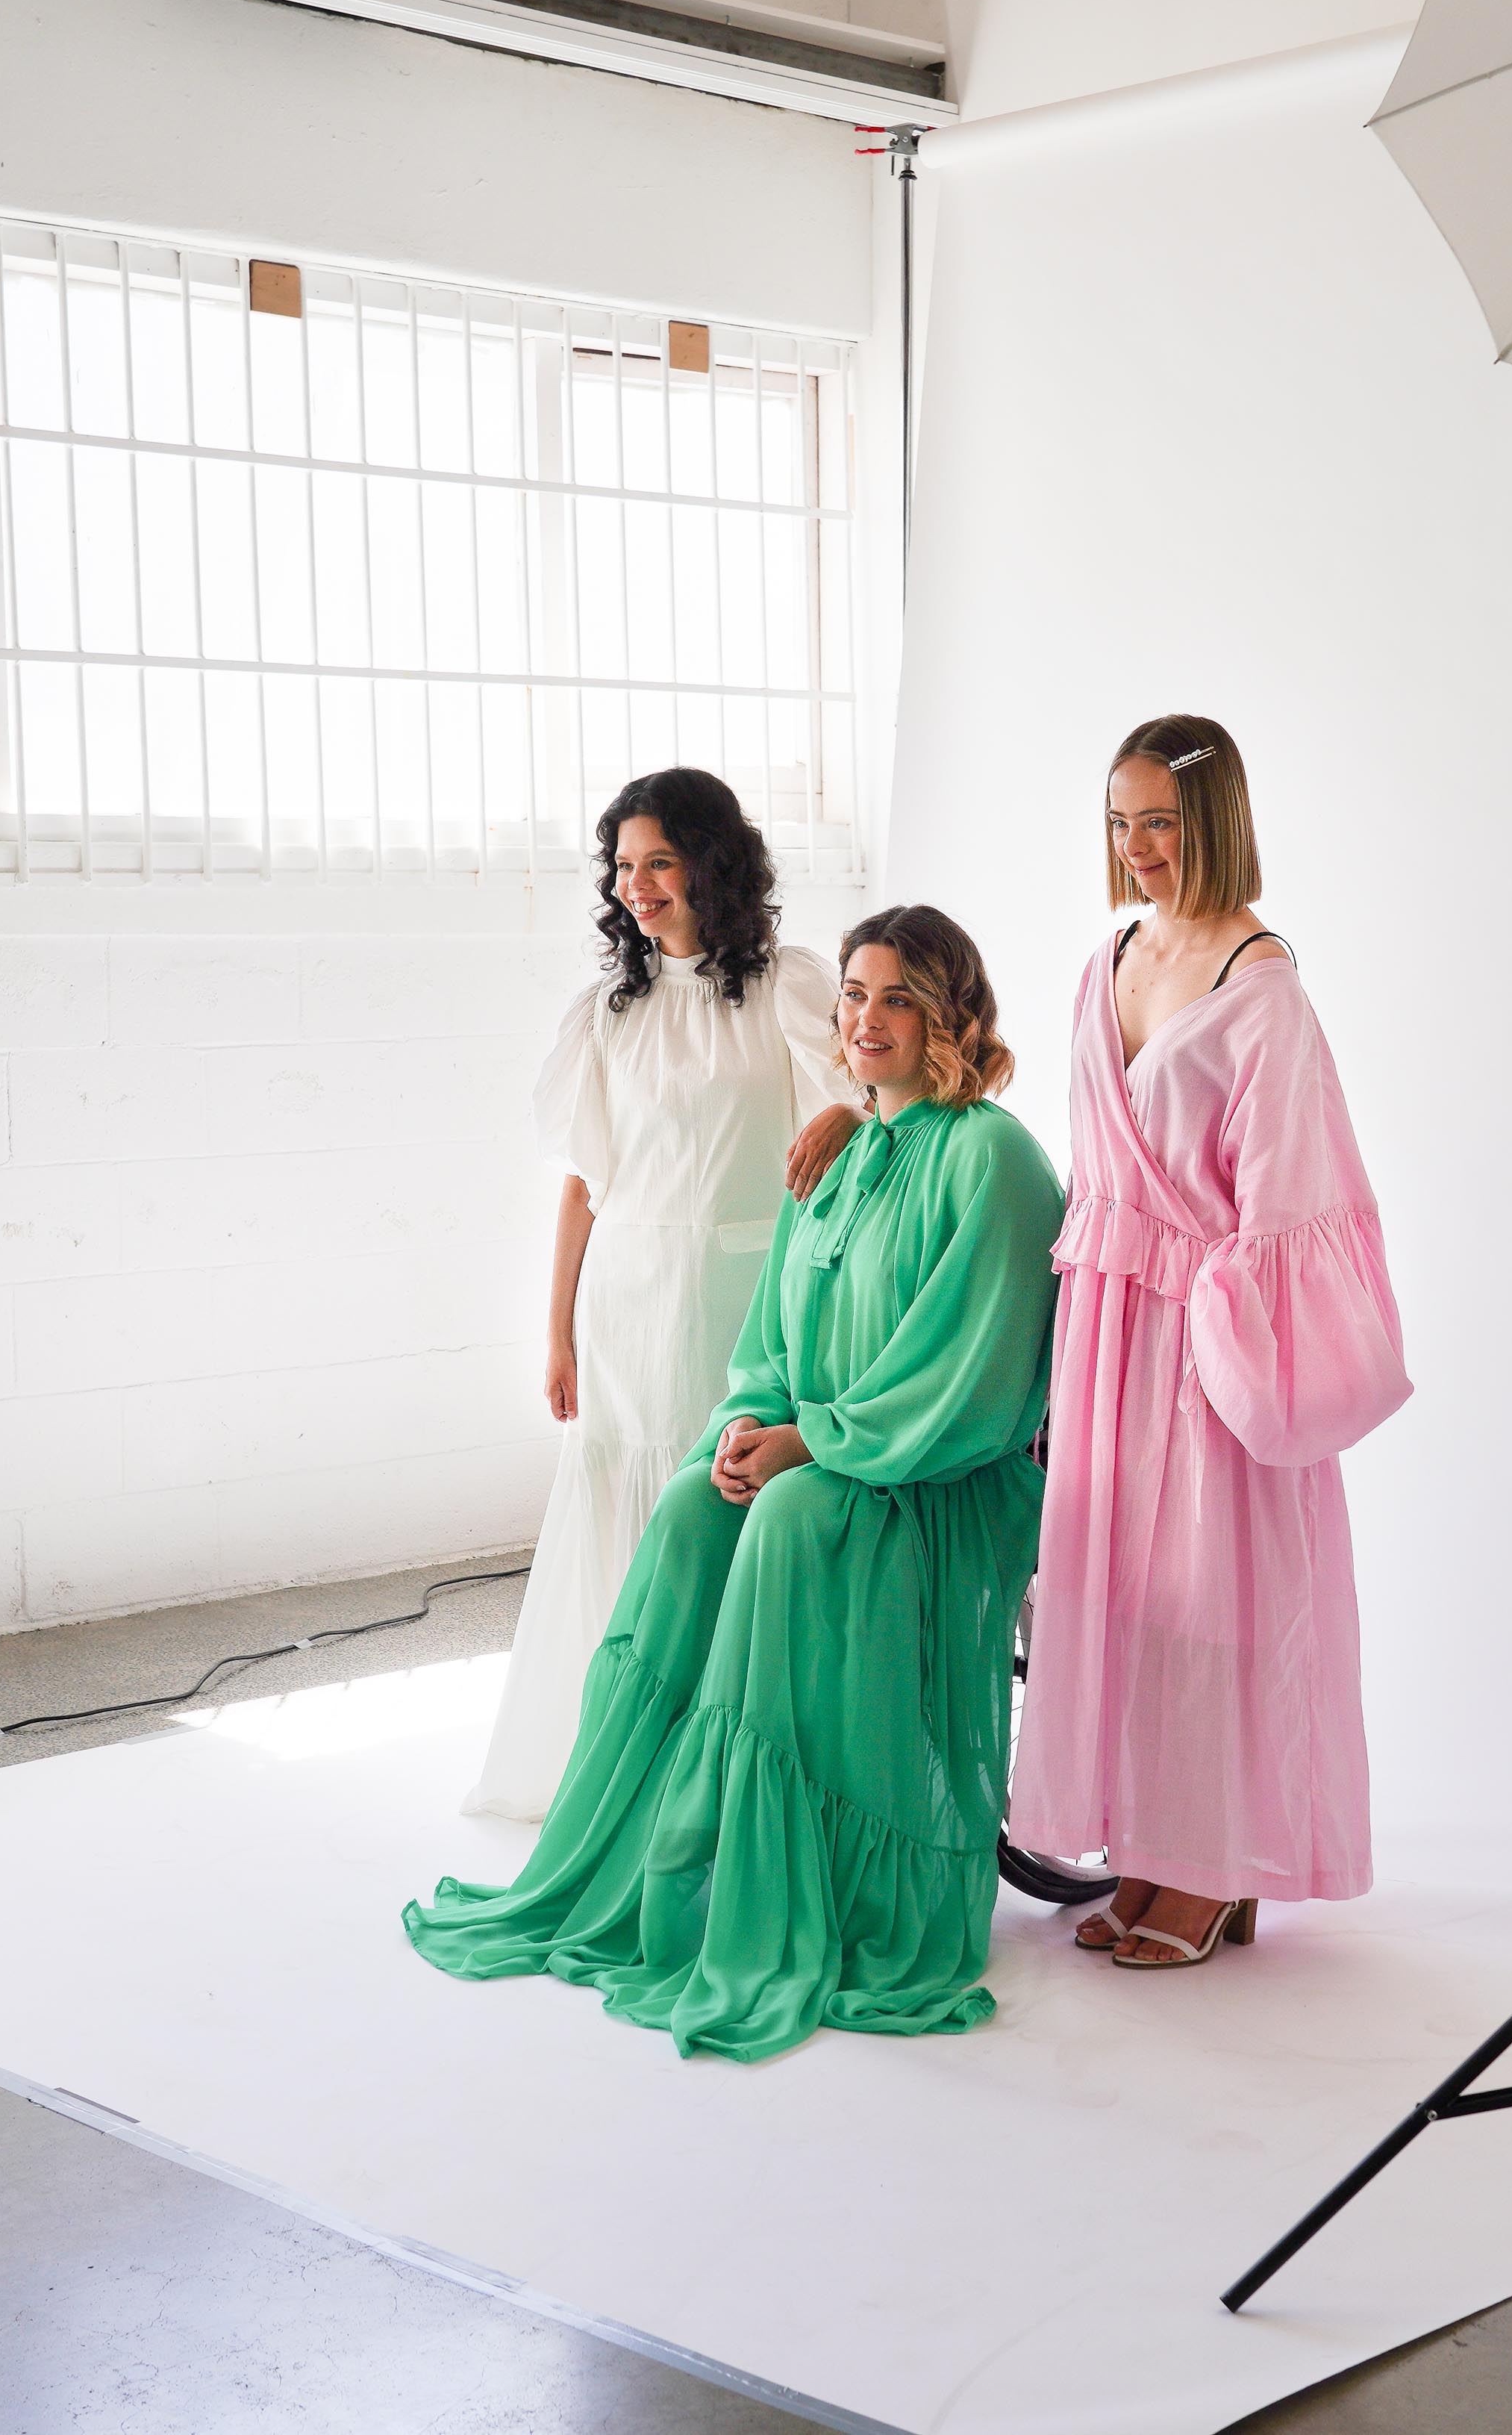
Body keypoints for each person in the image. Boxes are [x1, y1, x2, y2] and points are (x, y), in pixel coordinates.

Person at [407, 907, 1064, 2061]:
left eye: (896, 997)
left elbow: (970, 1371)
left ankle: (839, 1886)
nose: (864, 1019)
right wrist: (746, 1427)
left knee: (792, 1519)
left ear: (948, 1013)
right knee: (689, 1510)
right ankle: (672, 1861)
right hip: (827, 1450)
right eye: (852, 995)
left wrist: (815, 1444)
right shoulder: (837, 1155)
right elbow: (765, 1344)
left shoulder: (992, 1158)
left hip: (934, 1479)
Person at [1010, 714, 1411, 1968]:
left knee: (1211, 1592)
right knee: (1125, 1591)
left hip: (1204, 1331)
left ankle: (1213, 1865)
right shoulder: (1110, 958)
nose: (1136, 846)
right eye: (1119, 821)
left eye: (1161, 822)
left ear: (1216, 818)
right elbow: (1095, 1163)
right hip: (1106, 1323)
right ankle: (1151, 1845)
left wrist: (1218, 1316)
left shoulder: (1262, 986)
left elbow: (1293, 1197)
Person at [463, 769, 862, 1821]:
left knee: (723, 1507)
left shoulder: (788, 986)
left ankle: (723, 1775)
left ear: (710, 864)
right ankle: (623, 1767)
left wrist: (851, 1113)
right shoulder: (609, 1010)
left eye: (658, 862)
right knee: (623, 1509)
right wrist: (557, 1332)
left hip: (742, 1299)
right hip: (628, 1304)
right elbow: (586, 1185)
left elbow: (875, 1102)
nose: (635, 885)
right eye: (623, 866)